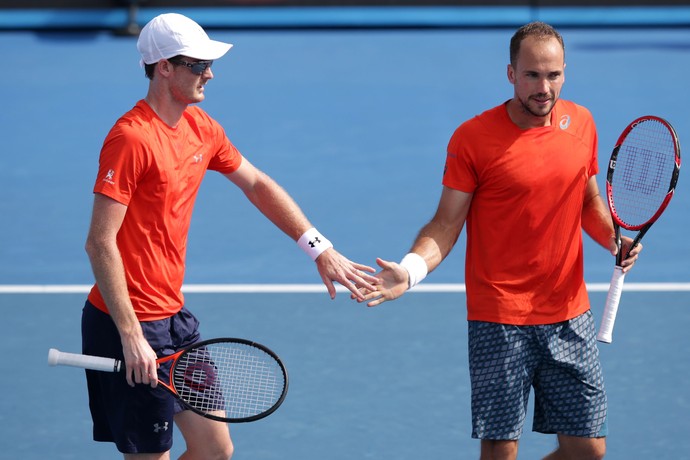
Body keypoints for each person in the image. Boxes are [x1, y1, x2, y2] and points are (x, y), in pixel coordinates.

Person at [82, 13, 377, 460]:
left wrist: (319, 248)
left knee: (215, 449)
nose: (210, 73)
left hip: (173, 319)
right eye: (199, 64)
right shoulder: (132, 139)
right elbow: (100, 242)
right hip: (127, 322)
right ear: (164, 66)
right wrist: (130, 334)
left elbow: (256, 184)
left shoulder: (202, 128)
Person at [357, 22, 641, 460]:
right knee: (501, 451)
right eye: (532, 75)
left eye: (553, 75)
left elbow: (586, 196)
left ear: (565, 72)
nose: (543, 87)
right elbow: (447, 223)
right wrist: (410, 270)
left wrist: (611, 238)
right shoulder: (473, 139)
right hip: (500, 316)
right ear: (511, 74)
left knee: (588, 450)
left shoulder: (581, 122)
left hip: (569, 311)